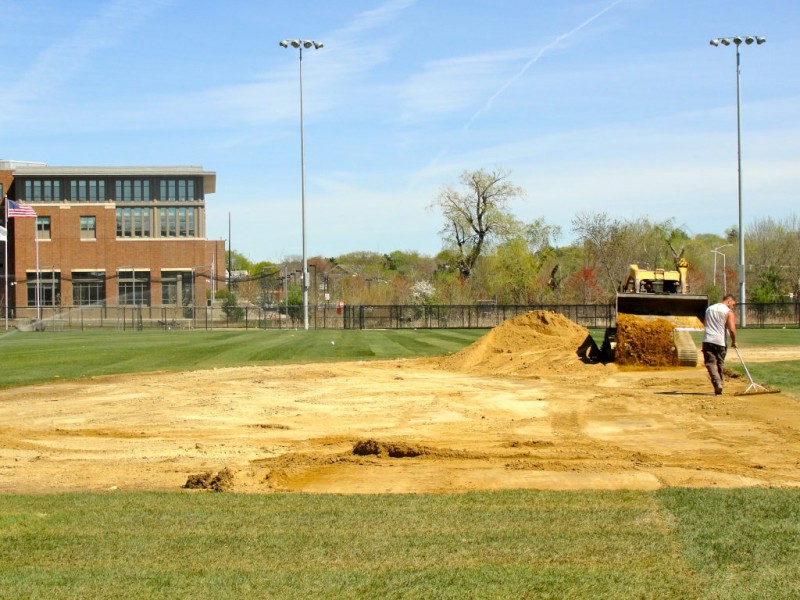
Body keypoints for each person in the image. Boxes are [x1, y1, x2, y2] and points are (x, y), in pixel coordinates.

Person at [702, 294, 737, 395]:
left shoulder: (709, 309)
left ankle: (717, 383)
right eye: (733, 305)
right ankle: (720, 383)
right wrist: (734, 341)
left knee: (710, 363)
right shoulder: (728, 312)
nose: (733, 307)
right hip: (720, 341)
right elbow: (732, 329)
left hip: (707, 340)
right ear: (728, 301)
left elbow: (705, 323)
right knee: (720, 363)